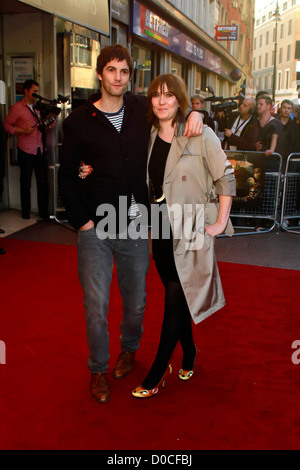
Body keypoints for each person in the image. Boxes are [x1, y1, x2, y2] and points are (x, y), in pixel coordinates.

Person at [58, 45, 203, 405]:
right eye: (112, 70)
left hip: (136, 221)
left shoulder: (141, 109)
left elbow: (174, 110)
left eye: (124, 71)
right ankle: (98, 370)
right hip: (96, 226)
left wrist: (197, 114)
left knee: (136, 302)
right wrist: (83, 222)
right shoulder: (78, 120)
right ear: (99, 73)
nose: (118, 77)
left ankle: (129, 351)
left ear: (130, 75)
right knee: (95, 303)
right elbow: (67, 176)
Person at [130, 74, 236, 398]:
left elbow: (226, 177)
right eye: (156, 96)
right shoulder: (148, 134)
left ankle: (159, 370)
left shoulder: (199, 133)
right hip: (161, 225)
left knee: (175, 295)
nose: (162, 101)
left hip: (192, 226)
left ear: (179, 99)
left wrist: (220, 223)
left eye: (169, 95)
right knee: (176, 293)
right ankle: (189, 352)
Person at [4, 79, 54, 220]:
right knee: (25, 182)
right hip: (25, 150)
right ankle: (25, 212)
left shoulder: (39, 108)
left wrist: (51, 120)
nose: (37, 94)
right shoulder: (17, 108)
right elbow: (7, 125)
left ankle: (43, 213)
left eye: (38, 91)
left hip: (40, 149)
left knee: (42, 182)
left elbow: (47, 127)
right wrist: (20, 130)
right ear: (26, 91)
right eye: (34, 91)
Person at [255, 95, 282, 163]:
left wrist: (271, 149)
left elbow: (275, 136)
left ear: (268, 106)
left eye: (261, 104)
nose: (258, 106)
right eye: (257, 104)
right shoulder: (254, 121)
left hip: (270, 160)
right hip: (255, 157)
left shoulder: (276, 122)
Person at [276, 99, 294, 168]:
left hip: (288, 158)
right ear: (280, 109)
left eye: (289, 108)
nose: (286, 110)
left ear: (291, 110)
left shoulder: (294, 125)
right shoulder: (274, 122)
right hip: (275, 157)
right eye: (284, 107)